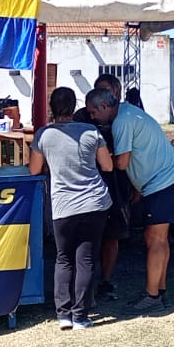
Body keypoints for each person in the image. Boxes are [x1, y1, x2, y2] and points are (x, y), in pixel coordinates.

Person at [83, 86, 174, 315]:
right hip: (166, 181)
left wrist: (100, 155)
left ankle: (152, 297)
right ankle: (159, 291)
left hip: (165, 182)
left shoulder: (122, 122)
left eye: (93, 112)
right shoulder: (129, 112)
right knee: (158, 238)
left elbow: (121, 163)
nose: (92, 117)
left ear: (104, 106)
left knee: (154, 237)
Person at [29, 87, 113, 330]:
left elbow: (34, 170)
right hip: (94, 202)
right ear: (75, 106)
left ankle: (63, 314)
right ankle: (81, 316)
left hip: (63, 205)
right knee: (85, 259)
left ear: (51, 108)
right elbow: (107, 166)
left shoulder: (44, 135)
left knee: (63, 258)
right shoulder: (90, 131)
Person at [73, 73, 132, 300]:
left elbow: (131, 154)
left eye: (107, 91)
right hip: (87, 185)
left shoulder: (125, 117)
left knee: (112, 236)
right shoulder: (82, 116)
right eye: (99, 90)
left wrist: (135, 187)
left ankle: (106, 281)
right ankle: (84, 286)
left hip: (116, 184)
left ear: (116, 94)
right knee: (86, 238)